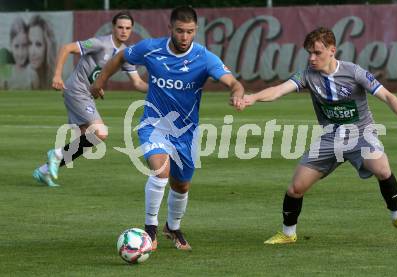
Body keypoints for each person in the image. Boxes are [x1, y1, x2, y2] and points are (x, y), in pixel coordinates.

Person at [243, 27, 397, 244]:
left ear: (332, 51)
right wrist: (252, 98)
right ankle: (288, 234)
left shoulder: (354, 72)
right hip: (330, 139)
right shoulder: (307, 76)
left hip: (361, 135)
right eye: (309, 53)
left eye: (317, 53)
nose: (312, 58)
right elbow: (278, 90)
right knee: (295, 188)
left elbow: (387, 95)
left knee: (382, 169)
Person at [91, 6, 245, 251]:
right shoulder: (151, 48)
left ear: (196, 31)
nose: (185, 37)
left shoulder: (203, 57)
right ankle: (149, 231)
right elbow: (121, 57)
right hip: (154, 125)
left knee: (181, 185)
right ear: (170, 28)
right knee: (161, 171)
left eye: (190, 32)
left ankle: (172, 228)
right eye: (180, 31)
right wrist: (100, 80)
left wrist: (236, 93)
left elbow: (233, 82)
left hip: (187, 132)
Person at [33, 11, 147, 187]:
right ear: (113, 27)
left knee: (88, 138)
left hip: (87, 94)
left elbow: (138, 82)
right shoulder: (99, 43)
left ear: (131, 30)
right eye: (120, 27)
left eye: (128, 28)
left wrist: (159, 88)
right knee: (100, 132)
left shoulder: (125, 54)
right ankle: (55, 155)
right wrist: (57, 76)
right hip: (76, 90)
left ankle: (44, 171)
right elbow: (66, 48)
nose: (124, 31)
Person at [3, 17, 38, 89]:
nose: (20, 53)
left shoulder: (32, 74)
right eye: (16, 46)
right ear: (10, 45)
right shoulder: (5, 72)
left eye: (24, 45)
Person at [27, 15, 57, 89]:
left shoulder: (56, 78)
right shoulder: (27, 77)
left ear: (48, 47)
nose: (32, 52)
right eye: (30, 43)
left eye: (38, 44)